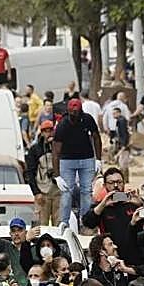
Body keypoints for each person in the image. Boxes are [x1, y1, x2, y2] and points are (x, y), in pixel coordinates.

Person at [53, 97, 102, 228]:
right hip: (67, 160)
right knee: (66, 191)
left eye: (77, 112)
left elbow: (97, 137)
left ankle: (85, 220)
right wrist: (57, 175)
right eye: (72, 113)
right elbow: (56, 151)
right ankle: (64, 221)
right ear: (68, 112)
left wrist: (98, 159)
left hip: (86, 159)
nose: (75, 115)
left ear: (81, 111)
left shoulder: (87, 119)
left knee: (86, 190)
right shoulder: (62, 125)